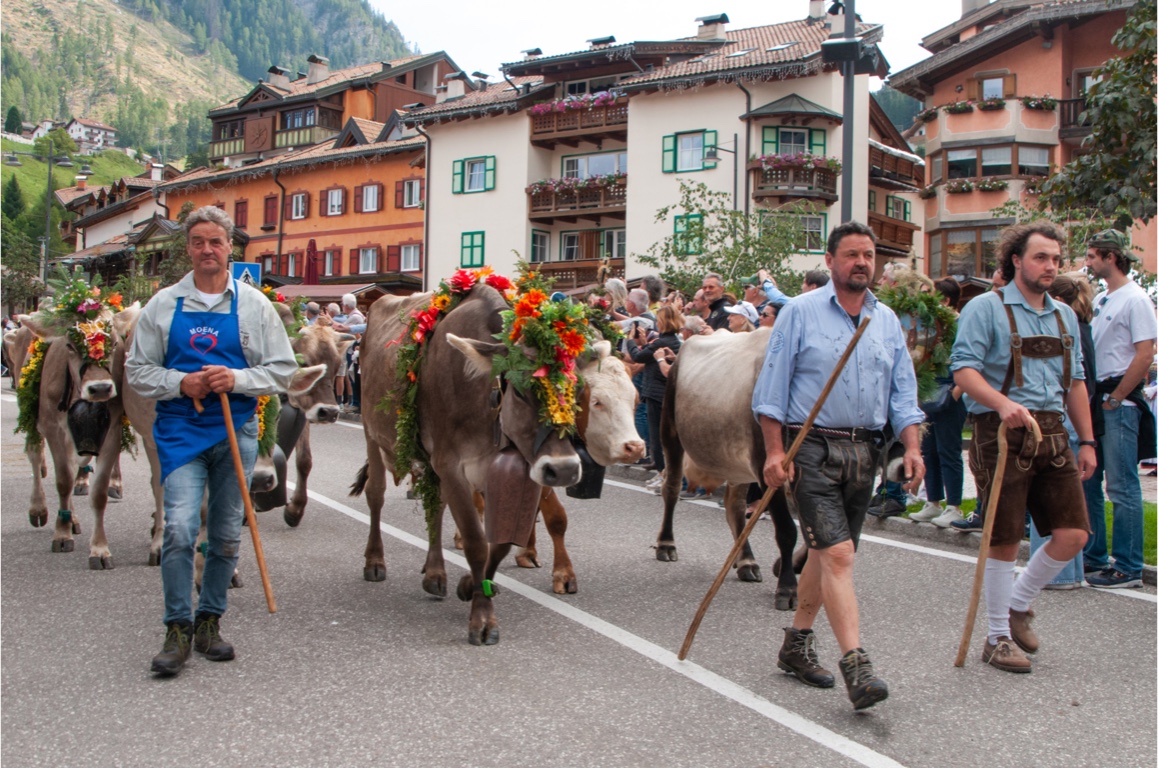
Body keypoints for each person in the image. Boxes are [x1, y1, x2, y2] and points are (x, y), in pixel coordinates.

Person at [754, 221, 924, 710]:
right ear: (830, 262)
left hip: (865, 452)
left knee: (828, 553)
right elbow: (771, 393)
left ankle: (796, 645)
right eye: (851, 255)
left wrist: (911, 448)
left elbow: (904, 394)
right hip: (811, 448)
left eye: (868, 255)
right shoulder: (800, 313)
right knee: (840, 555)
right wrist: (772, 452)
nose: (861, 263)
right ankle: (857, 665)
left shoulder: (886, 320)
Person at [126, 206, 297, 677]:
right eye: (198, 241)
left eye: (216, 242)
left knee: (223, 535)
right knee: (180, 529)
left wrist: (236, 377)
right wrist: (183, 383)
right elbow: (137, 372)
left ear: (230, 248)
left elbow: (282, 368)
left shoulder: (254, 306)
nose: (207, 250)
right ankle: (177, 627)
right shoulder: (162, 304)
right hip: (180, 433)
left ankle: (209, 621)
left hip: (237, 430)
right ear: (189, 248)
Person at [950, 221, 1095, 674]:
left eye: (1055, 258)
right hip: (1000, 432)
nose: (1050, 266)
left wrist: (1087, 439)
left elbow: (1075, 382)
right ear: (1015, 259)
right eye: (1040, 257)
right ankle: (995, 639)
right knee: (1005, 538)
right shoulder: (984, 308)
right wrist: (1003, 403)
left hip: (1052, 434)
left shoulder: (1064, 315)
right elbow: (964, 372)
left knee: (1074, 534)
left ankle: (1017, 604)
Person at [1083, 229, 1157, 589]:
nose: (1087, 262)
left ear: (1110, 257)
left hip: (1118, 401)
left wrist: (1117, 397)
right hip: (1100, 399)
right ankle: (1095, 554)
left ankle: (1128, 565)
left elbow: (1145, 353)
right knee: (1091, 480)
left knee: (1123, 486)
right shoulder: (1102, 299)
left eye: (1092, 255)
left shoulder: (1136, 299)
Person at [1026, 272, 1099, 588]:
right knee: (1067, 503)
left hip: (1060, 419)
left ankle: (1052, 575)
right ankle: (1069, 572)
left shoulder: (1068, 329)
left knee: (1050, 500)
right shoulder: (1080, 327)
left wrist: (1084, 435)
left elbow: (1080, 382)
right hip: (1065, 418)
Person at [911, 278, 969, 527]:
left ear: (945, 300)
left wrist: (955, 393)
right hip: (929, 394)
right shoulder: (933, 326)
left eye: (931, 295)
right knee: (929, 450)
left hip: (949, 395)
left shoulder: (961, 324)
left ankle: (954, 506)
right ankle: (933, 502)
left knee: (949, 451)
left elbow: (968, 360)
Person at [626, 305, 683, 489]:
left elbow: (638, 357)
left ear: (663, 321)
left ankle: (662, 473)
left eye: (659, 320)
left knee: (657, 437)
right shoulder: (674, 341)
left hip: (655, 394)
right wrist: (644, 342)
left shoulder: (661, 342)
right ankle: (664, 472)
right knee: (665, 436)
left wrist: (630, 340)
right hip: (665, 393)